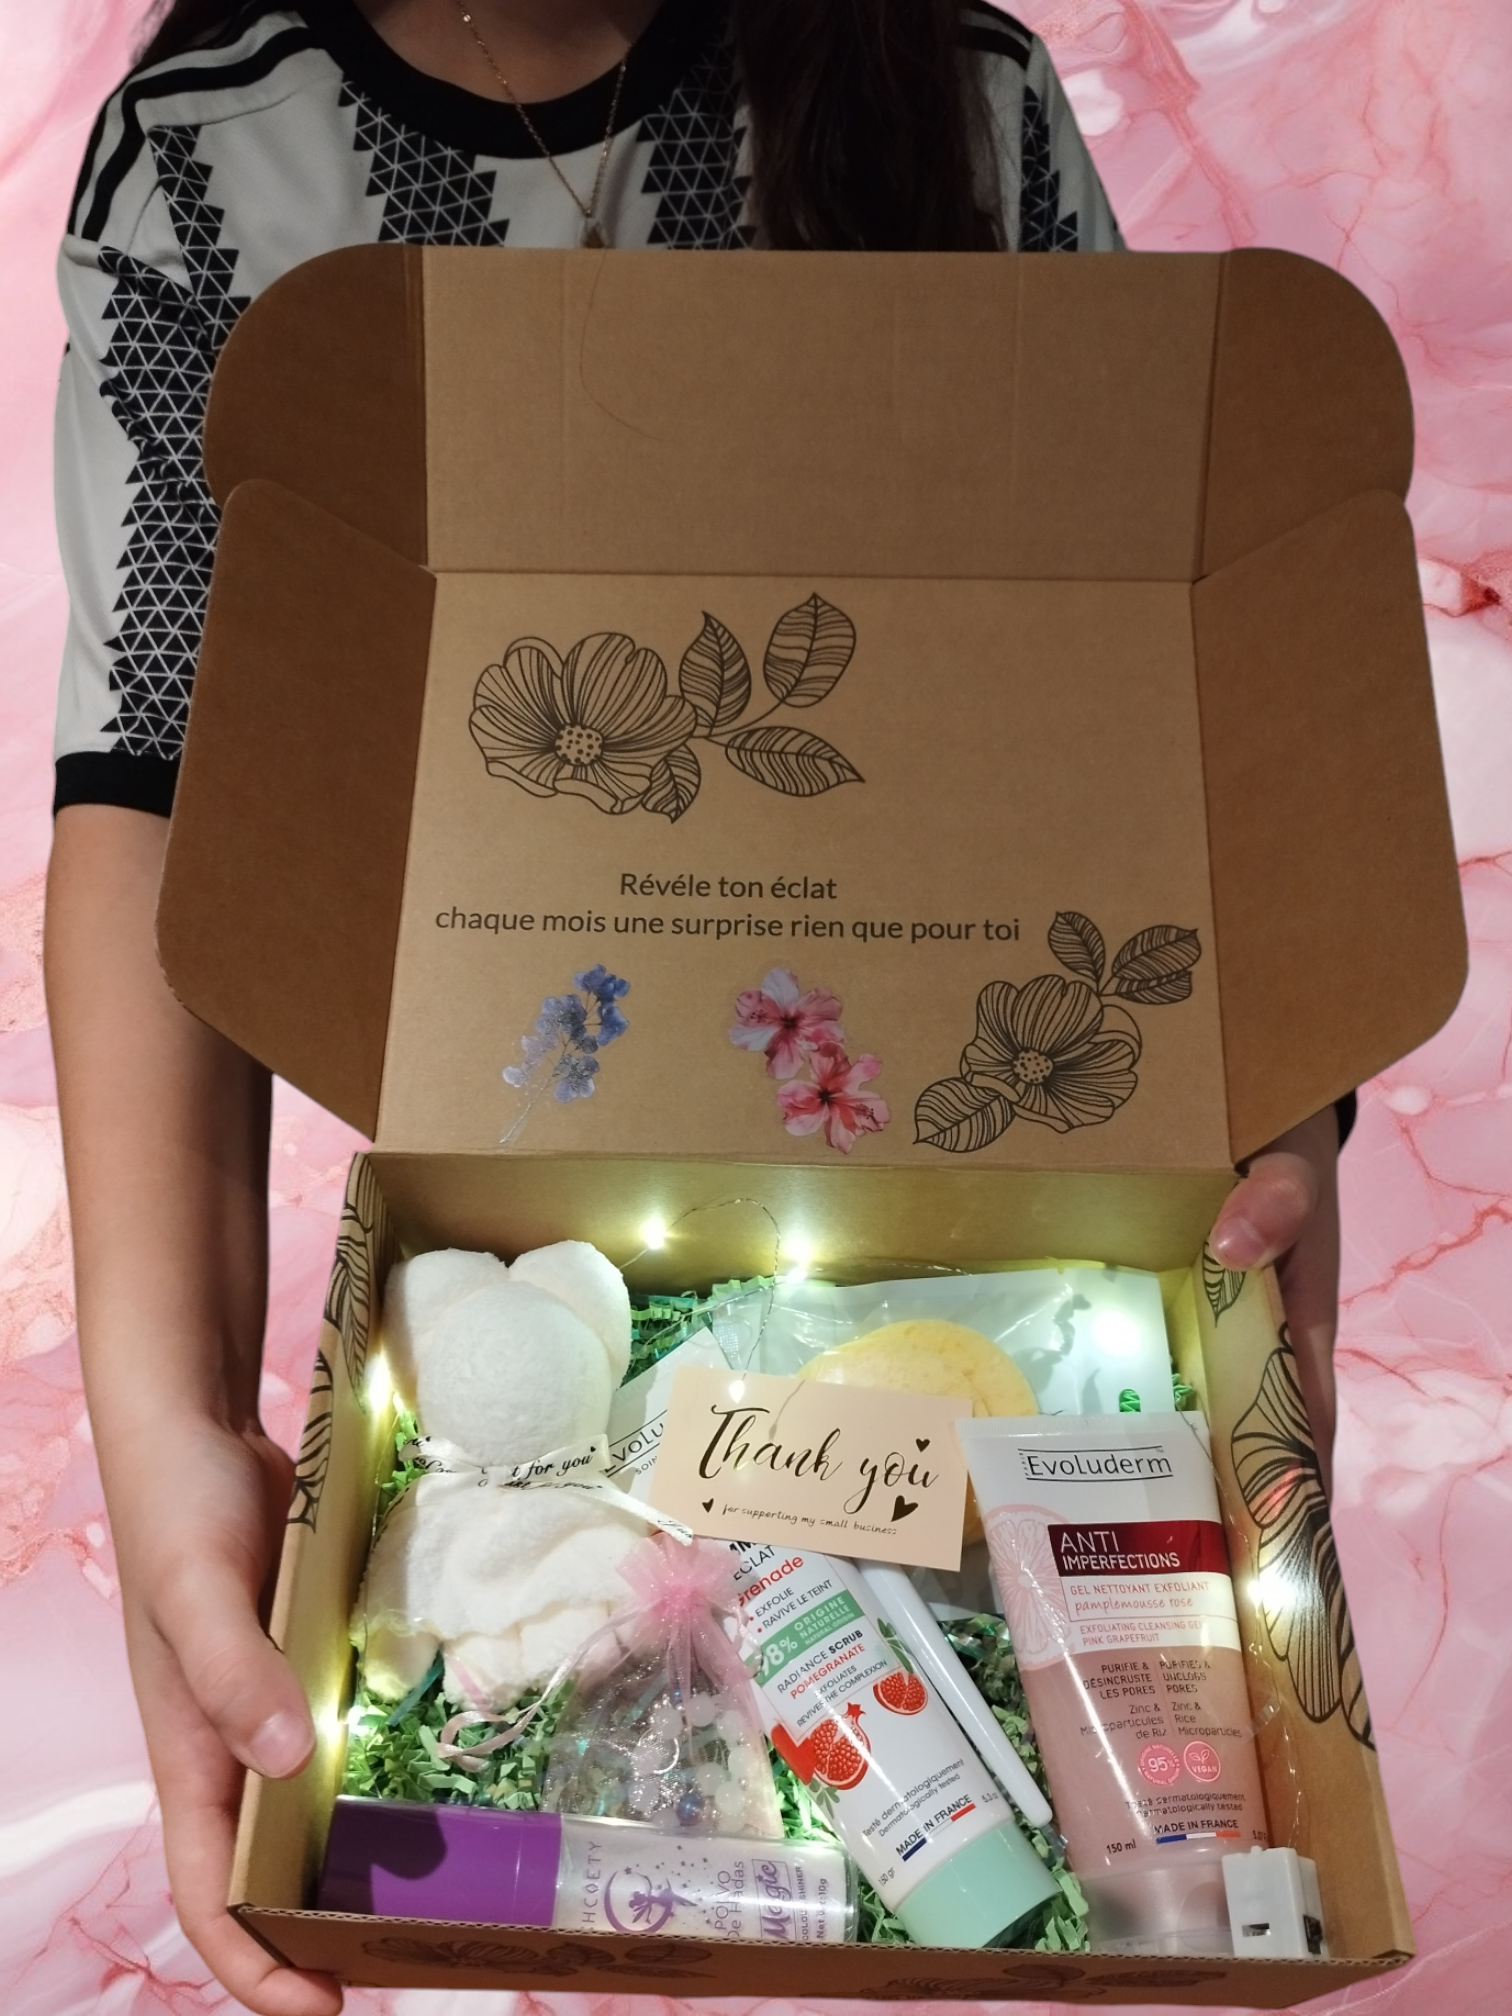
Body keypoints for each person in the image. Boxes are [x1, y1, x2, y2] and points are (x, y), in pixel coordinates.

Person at [44, 2, 1347, 2009]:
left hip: (987, 1158)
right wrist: (166, 1422)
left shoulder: (954, 93)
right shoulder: (221, 160)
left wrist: (1282, 1099)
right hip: (542, 1154)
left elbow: (1168, 683)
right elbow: (154, 781)